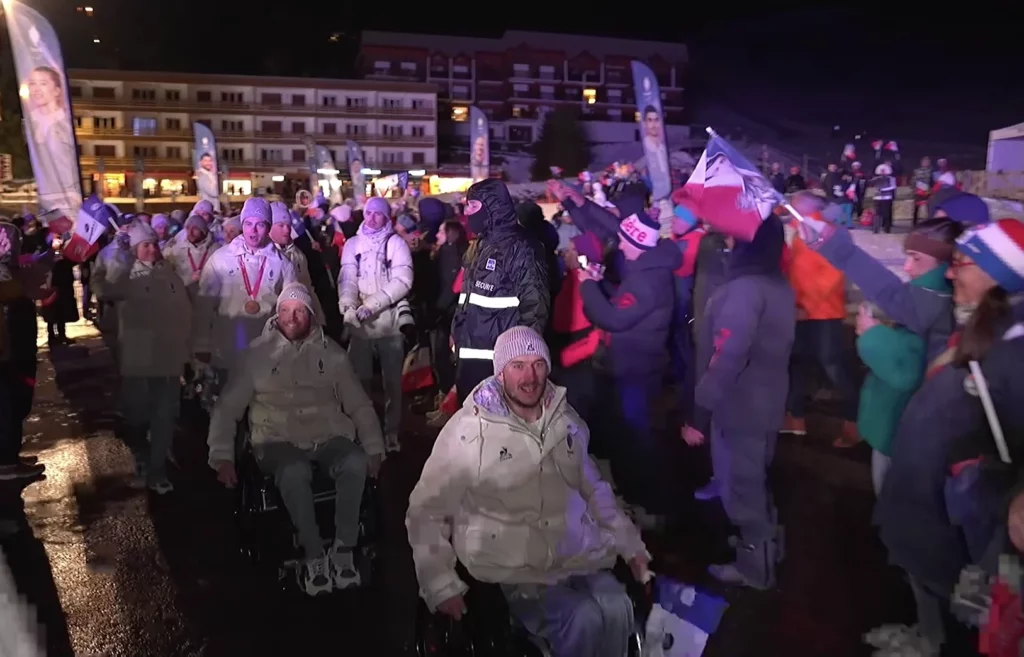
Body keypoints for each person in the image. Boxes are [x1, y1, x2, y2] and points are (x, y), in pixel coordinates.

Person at [407, 326, 649, 657]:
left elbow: (597, 491)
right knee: (583, 618)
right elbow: (426, 509)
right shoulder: (469, 430)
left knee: (619, 606)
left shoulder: (566, 420)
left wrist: (631, 546)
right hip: (513, 564)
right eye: (517, 365)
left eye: (538, 364)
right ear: (501, 374)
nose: (530, 376)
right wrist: (439, 583)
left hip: (575, 552)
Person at [208, 284, 384, 596]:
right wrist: (222, 456)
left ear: (311, 315)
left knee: (355, 462)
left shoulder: (332, 354)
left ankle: (343, 549)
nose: (292, 317)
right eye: (286, 310)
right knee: (294, 470)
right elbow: (227, 408)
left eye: (299, 311)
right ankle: (314, 553)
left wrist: (373, 448)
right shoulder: (256, 354)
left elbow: (359, 405)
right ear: (277, 314)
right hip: (276, 439)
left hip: (327, 434)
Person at [104, 223, 192, 493]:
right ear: (134, 249)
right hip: (138, 353)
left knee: (164, 414)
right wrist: (118, 254)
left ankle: (157, 470)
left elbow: (185, 311)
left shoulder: (169, 274)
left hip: (167, 353)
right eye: (146, 245)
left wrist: (186, 347)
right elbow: (107, 289)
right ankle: (142, 460)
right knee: (138, 414)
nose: (153, 249)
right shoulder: (125, 275)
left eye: (154, 244)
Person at [450, 179, 550, 402]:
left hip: (501, 362)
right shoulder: (478, 246)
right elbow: (467, 298)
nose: (467, 212)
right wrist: (457, 331)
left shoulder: (522, 247)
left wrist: (522, 359)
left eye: (473, 205)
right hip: (469, 354)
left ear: (492, 207)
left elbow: (535, 307)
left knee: (499, 420)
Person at [194, 197, 297, 385]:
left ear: (268, 227)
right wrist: (202, 343)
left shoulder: (282, 263)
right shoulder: (221, 259)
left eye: (260, 225)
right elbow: (204, 305)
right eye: (248, 224)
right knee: (229, 399)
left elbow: (292, 307)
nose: (253, 231)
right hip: (228, 346)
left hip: (268, 351)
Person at [338, 196, 413, 454]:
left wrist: (371, 305)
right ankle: (365, 431)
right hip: (360, 326)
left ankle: (391, 432)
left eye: (377, 213)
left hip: (389, 325)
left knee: (392, 384)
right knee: (360, 383)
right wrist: (348, 305)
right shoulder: (353, 244)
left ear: (386, 217)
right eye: (368, 212)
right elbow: (347, 279)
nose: (371, 218)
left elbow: (403, 280)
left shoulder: (396, 243)